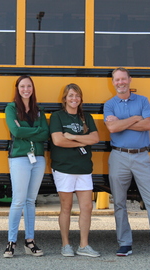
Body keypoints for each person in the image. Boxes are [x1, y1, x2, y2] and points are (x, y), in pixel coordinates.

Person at [103, 67, 150, 260]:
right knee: (119, 202)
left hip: (141, 156)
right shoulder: (109, 104)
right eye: (117, 80)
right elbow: (112, 128)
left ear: (129, 80)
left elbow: (149, 125)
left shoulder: (143, 100)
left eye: (123, 79)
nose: (120, 82)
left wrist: (122, 122)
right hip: (118, 157)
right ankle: (124, 243)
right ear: (113, 82)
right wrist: (134, 119)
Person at [49, 83, 100, 258]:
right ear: (65, 98)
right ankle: (66, 245)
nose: (74, 99)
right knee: (66, 207)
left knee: (87, 207)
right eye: (70, 96)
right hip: (64, 168)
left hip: (84, 168)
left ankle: (84, 245)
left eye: (77, 96)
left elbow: (95, 137)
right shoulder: (57, 117)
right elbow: (58, 141)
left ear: (80, 99)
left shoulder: (86, 117)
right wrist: (83, 142)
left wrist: (74, 136)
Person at [4, 75, 49, 258]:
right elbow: (15, 131)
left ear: (33, 88)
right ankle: (11, 242)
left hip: (38, 159)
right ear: (17, 88)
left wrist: (27, 132)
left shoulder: (39, 110)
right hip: (20, 159)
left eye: (29, 86)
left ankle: (30, 241)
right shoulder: (11, 108)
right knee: (18, 201)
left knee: (31, 201)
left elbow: (45, 134)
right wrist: (36, 131)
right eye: (22, 86)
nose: (26, 89)